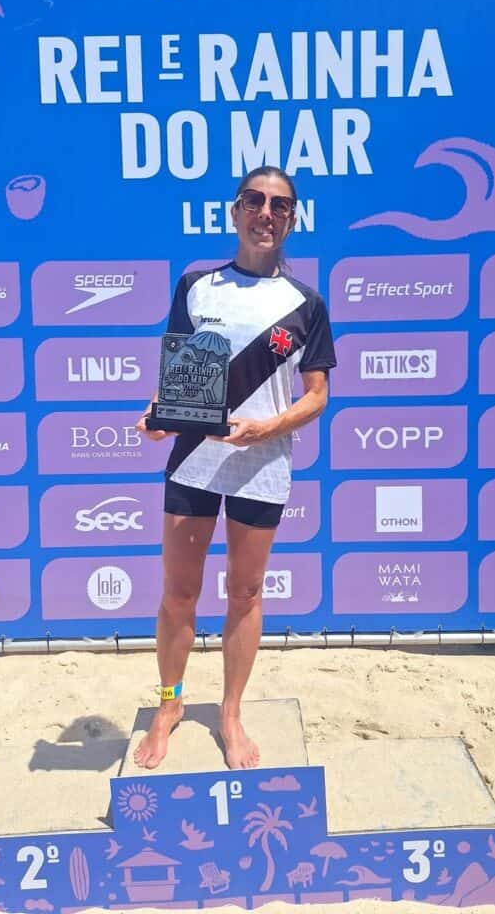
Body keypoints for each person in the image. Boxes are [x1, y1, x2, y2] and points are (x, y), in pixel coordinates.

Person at [134, 166, 336, 770]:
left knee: (245, 593)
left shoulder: (305, 304)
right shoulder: (198, 286)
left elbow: (317, 395)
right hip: (194, 462)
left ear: (292, 219)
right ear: (236, 211)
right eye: (255, 201)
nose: (266, 213)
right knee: (179, 593)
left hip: (262, 466)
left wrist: (266, 428)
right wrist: (158, 415)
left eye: (279, 205)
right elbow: (177, 382)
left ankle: (230, 711)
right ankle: (169, 705)